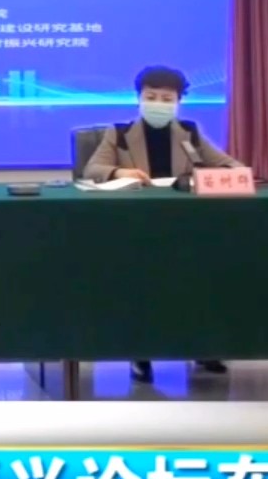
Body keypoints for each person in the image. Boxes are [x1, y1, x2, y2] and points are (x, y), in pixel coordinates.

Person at [82, 64, 243, 384]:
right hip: (135, 227)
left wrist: (210, 175)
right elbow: (92, 169)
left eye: (166, 99)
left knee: (200, 280)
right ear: (139, 98)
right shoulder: (119, 134)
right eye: (151, 97)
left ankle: (203, 348)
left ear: (178, 102)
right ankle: (141, 354)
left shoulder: (190, 133)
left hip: (183, 226)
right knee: (143, 283)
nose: (158, 104)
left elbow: (230, 165)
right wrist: (119, 172)